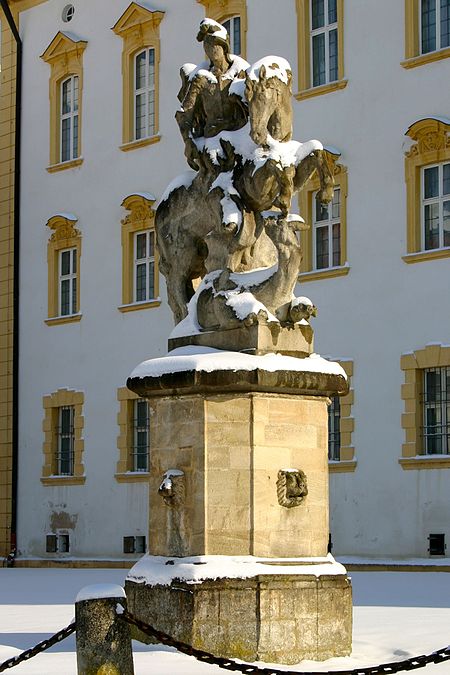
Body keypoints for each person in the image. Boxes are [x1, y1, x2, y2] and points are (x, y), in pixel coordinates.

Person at [175, 19, 249, 172]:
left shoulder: (240, 75)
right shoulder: (201, 79)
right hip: (213, 141)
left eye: (214, 44)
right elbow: (184, 113)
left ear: (224, 47)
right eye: (207, 46)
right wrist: (188, 141)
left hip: (239, 137)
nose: (210, 49)